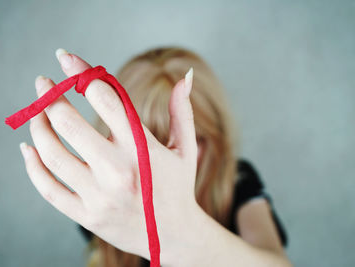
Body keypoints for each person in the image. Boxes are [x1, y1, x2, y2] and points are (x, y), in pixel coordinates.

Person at [19, 47, 292, 267]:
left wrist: (183, 235)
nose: (167, 158)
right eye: (151, 141)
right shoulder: (105, 200)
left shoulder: (237, 179)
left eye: (196, 138)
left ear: (217, 134)